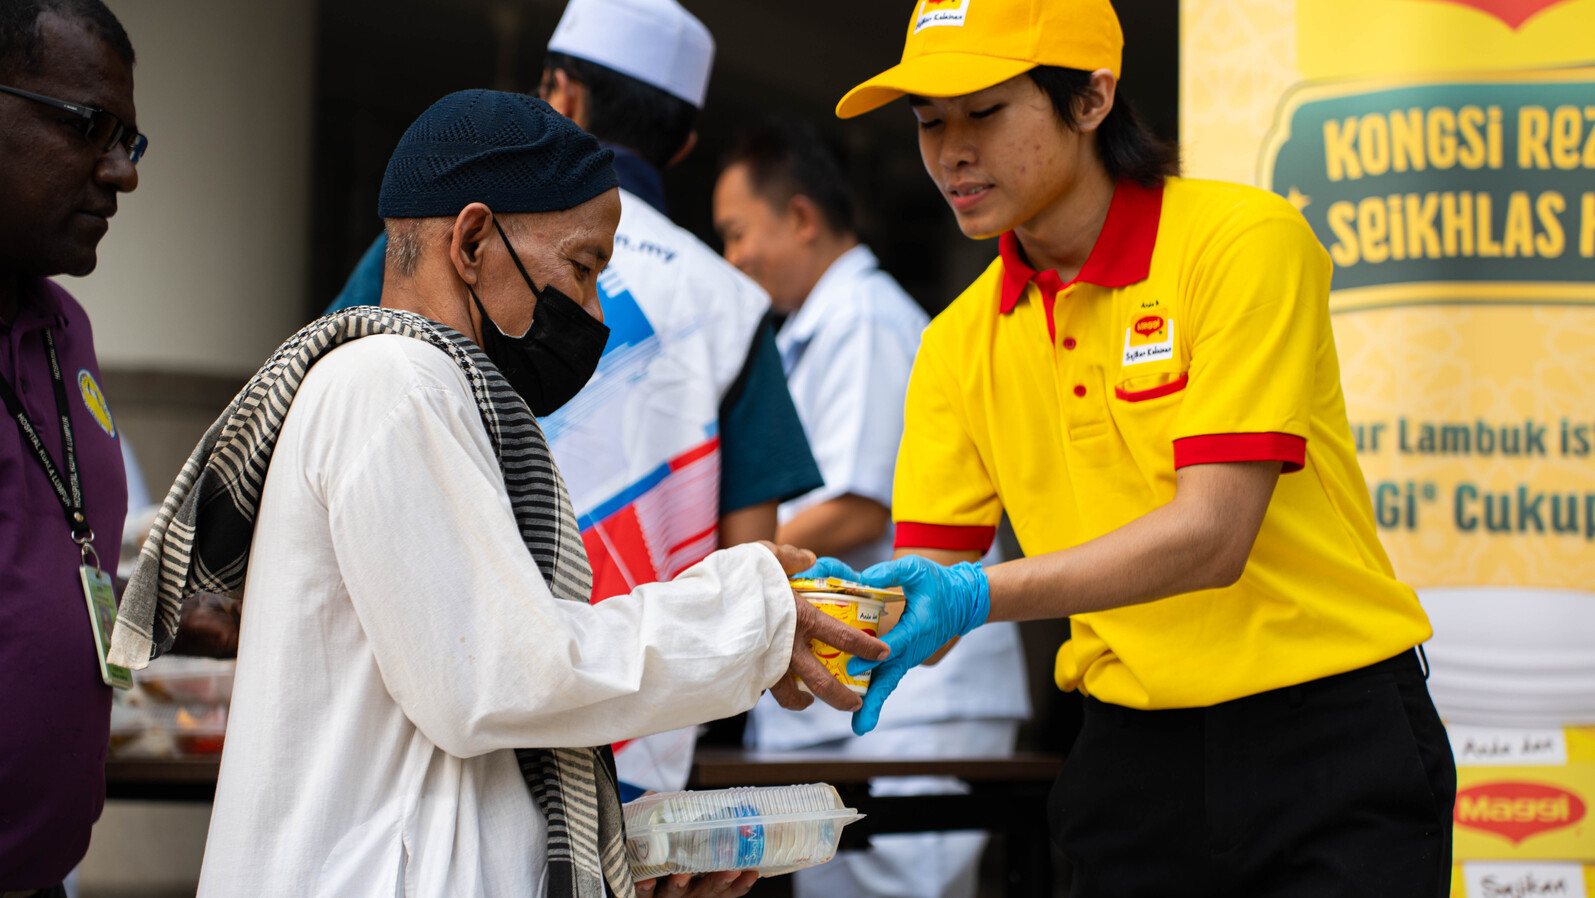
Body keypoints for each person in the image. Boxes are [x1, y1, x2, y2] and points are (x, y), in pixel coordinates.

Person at [107, 90, 886, 898]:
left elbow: (465, 702)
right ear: (474, 240)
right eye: (582, 269)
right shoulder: (392, 387)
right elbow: (498, 677)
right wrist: (749, 615)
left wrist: (617, 853)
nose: (592, 314)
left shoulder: (427, 392)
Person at [812, 1, 1459, 896]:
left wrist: (970, 594)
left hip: (1326, 737)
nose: (950, 151)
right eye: (927, 121)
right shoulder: (957, 344)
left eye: (984, 111)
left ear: (1091, 100)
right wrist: (795, 623)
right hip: (1128, 756)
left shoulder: (1240, 243)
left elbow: (1212, 535)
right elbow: (923, 586)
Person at [325, 0, 824, 796]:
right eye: (587, 268)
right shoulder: (731, 304)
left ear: (561, 99)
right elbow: (749, 552)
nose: (593, 312)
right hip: (636, 745)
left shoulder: (419, 253)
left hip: (431, 750)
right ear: (686, 142)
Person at [712, 119, 1028, 898]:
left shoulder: (863, 318)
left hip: (918, 696)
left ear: (801, 219)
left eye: (736, 233)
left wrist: (716, 577)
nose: (732, 259)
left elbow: (854, 508)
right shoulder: (812, 329)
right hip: (862, 695)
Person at [0, 2, 141, 893]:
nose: (121, 172)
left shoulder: (64, 331)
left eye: (130, 138)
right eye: (88, 126)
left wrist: (144, 611)